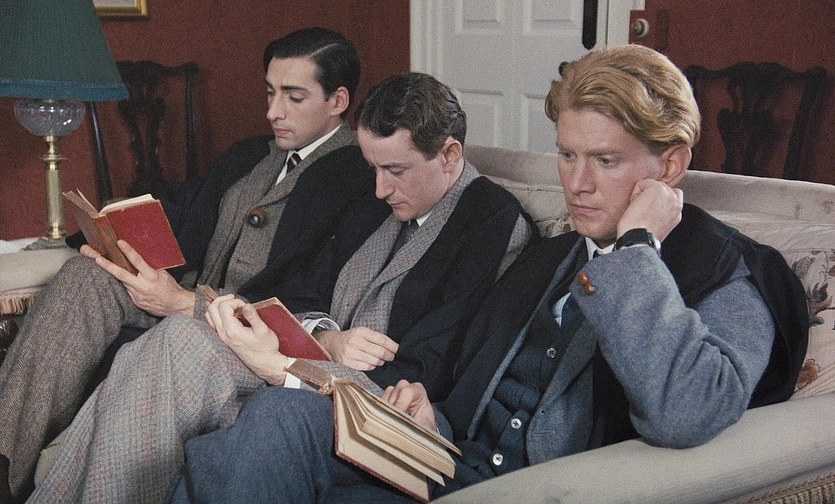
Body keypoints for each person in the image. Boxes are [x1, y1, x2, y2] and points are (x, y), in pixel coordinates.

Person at [164, 44, 809, 503]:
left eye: (606, 161)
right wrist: (430, 413)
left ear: (669, 166)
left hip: (539, 485)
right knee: (269, 422)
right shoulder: (551, 257)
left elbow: (687, 411)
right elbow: (467, 384)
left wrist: (637, 247)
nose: (578, 185)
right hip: (449, 463)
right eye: (567, 155)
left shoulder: (733, 272)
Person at [27, 72, 534, 503]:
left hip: (364, 400)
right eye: (374, 168)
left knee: (182, 346)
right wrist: (328, 336)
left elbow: (435, 366)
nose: (380, 188)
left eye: (395, 171)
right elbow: (306, 290)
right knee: (163, 343)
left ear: (449, 155)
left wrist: (310, 361)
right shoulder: (377, 199)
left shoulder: (492, 223)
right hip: (307, 357)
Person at [0, 27, 392, 503]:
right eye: (269, 93)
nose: (274, 111)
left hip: (241, 336)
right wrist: (110, 231)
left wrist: (186, 304)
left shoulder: (361, 179)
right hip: (184, 295)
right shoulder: (251, 154)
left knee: (175, 331)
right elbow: (183, 207)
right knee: (85, 276)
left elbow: (311, 307)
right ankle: (4, 465)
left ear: (338, 101)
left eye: (293, 97)